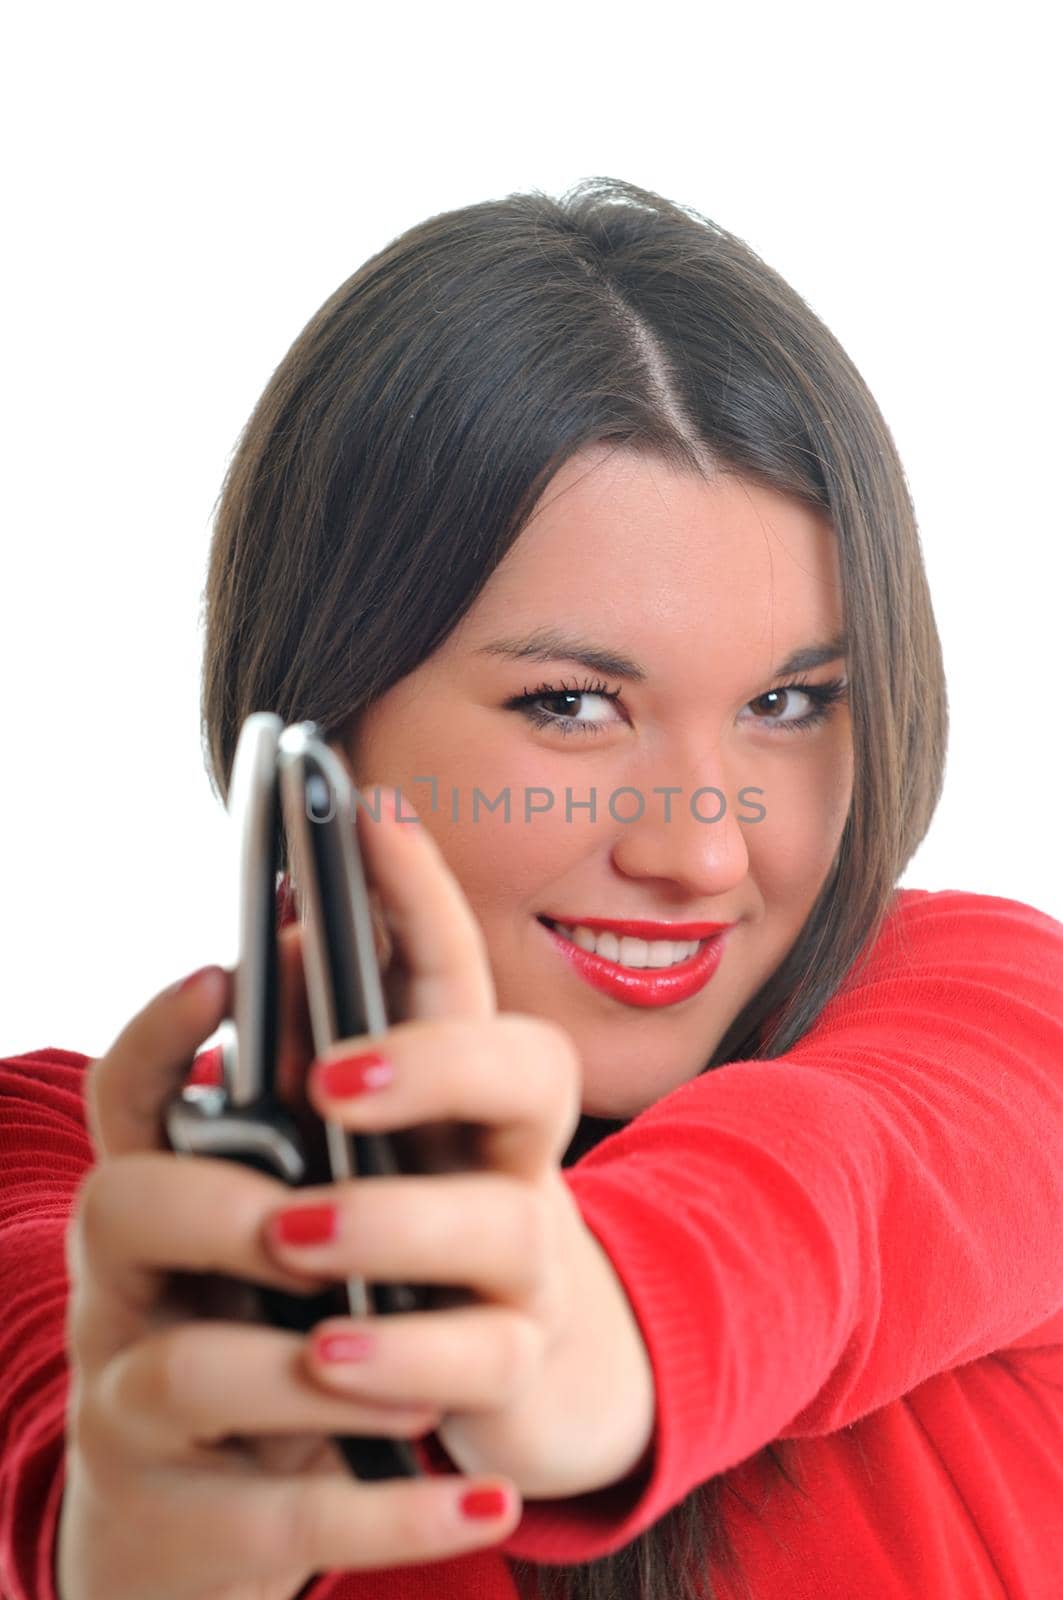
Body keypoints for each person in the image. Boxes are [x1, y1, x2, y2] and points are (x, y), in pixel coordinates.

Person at [2, 176, 1060, 1600]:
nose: (703, 854)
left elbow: (842, 1186)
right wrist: (141, 1544)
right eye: (571, 705)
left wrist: (581, 1324)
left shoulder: (984, 1007)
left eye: (792, 703)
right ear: (321, 727)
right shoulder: (63, 1176)